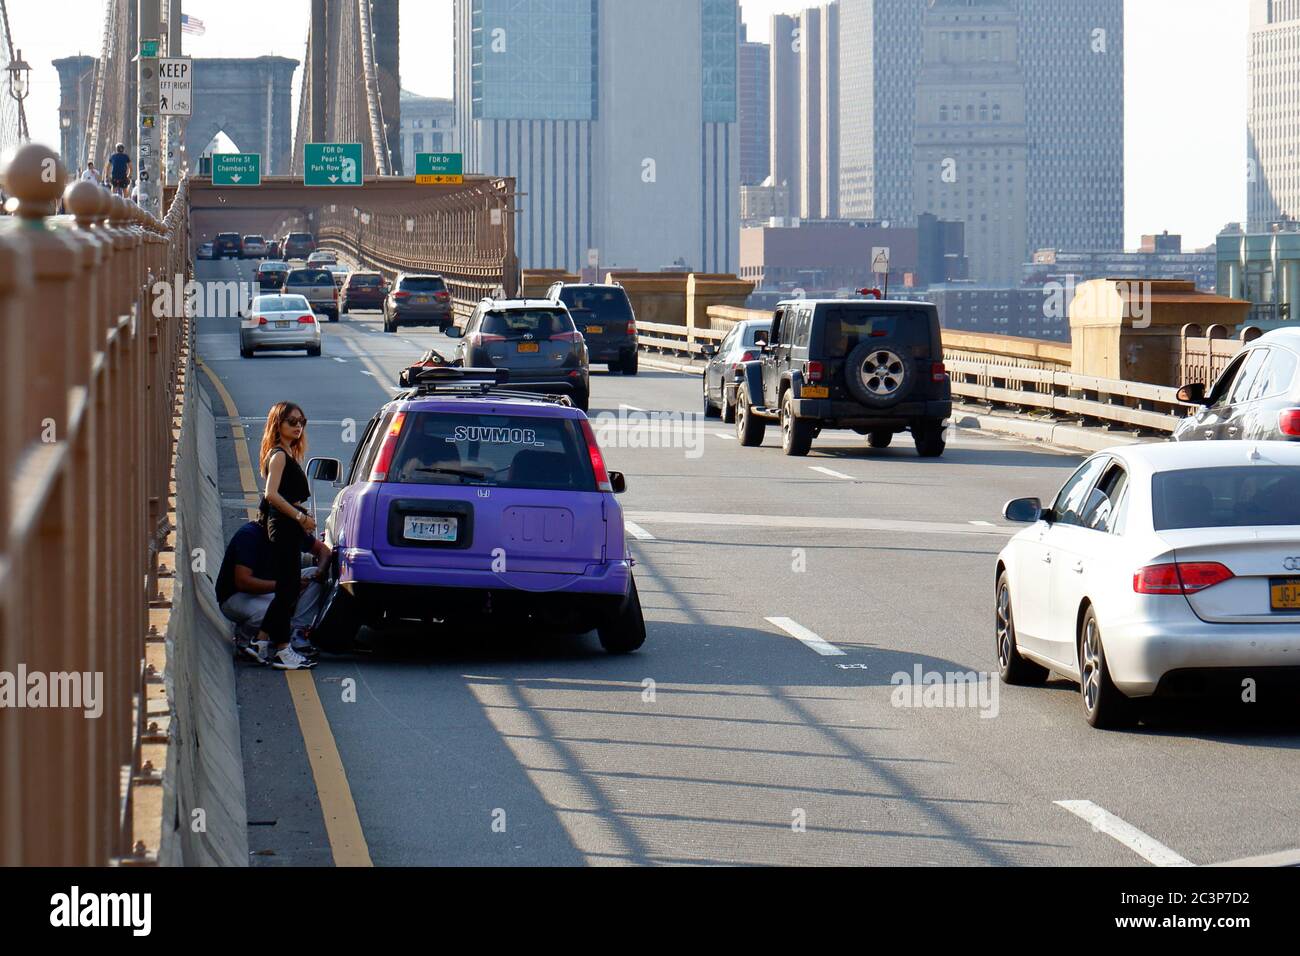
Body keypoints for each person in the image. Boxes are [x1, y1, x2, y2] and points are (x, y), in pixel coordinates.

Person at [252, 401, 319, 670]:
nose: (298, 426)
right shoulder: (279, 455)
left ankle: (260, 641)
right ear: (277, 424)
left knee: (287, 589)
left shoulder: (290, 453)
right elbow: (271, 494)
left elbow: (287, 497)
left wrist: (301, 516)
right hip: (282, 528)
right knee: (287, 589)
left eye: (302, 421)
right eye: (292, 421)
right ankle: (282, 649)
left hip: (289, 526)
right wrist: (300, 517)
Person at [216, 519, 330, 664]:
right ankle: (245, 640)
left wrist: (320, 571)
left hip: (273, 589)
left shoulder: (289, 530)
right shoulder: (249, 536)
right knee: (270, 612)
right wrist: (285, 586)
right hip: (237, 596)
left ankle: (297, 632)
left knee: (312, 575)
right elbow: (243, 581)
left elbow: (323, 550)